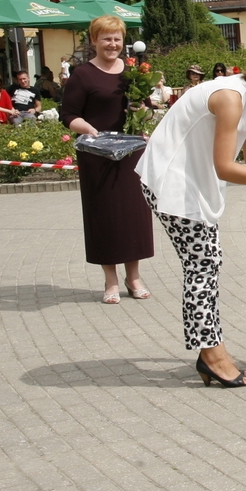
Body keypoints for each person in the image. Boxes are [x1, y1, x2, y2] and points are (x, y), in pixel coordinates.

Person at [136, 36, 246, 388]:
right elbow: (224, 168)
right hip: (171, 182)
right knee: (203, 265)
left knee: (206, 263)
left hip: (191, 182)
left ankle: (209, 351)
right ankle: (211, 356)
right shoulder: (231, 98)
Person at [60, 17, 155, 305]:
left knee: (133, 216)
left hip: (129, 154)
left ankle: (134, 276)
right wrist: (90, 130)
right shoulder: (82, 75)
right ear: (94, 41)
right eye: (106, 39)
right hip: (97, 156)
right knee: (105, 216)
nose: (112, 44)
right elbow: (69, 115)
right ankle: (111, 280)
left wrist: (143, 115)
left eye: (117, 38)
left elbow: (148, 109)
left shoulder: (133, 74)